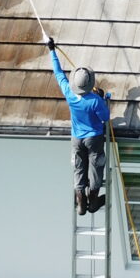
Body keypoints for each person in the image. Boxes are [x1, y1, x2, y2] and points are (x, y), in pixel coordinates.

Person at [46, 35, 112, 215]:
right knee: (96, 168)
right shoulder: (95, 101)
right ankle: (93, 203)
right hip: (94, 138)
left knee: (79, 169)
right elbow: (105, 117)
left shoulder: (69, 93)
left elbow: (58, 74)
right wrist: (103, 99)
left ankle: (81, 203)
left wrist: (52, 50)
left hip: (77, 138)